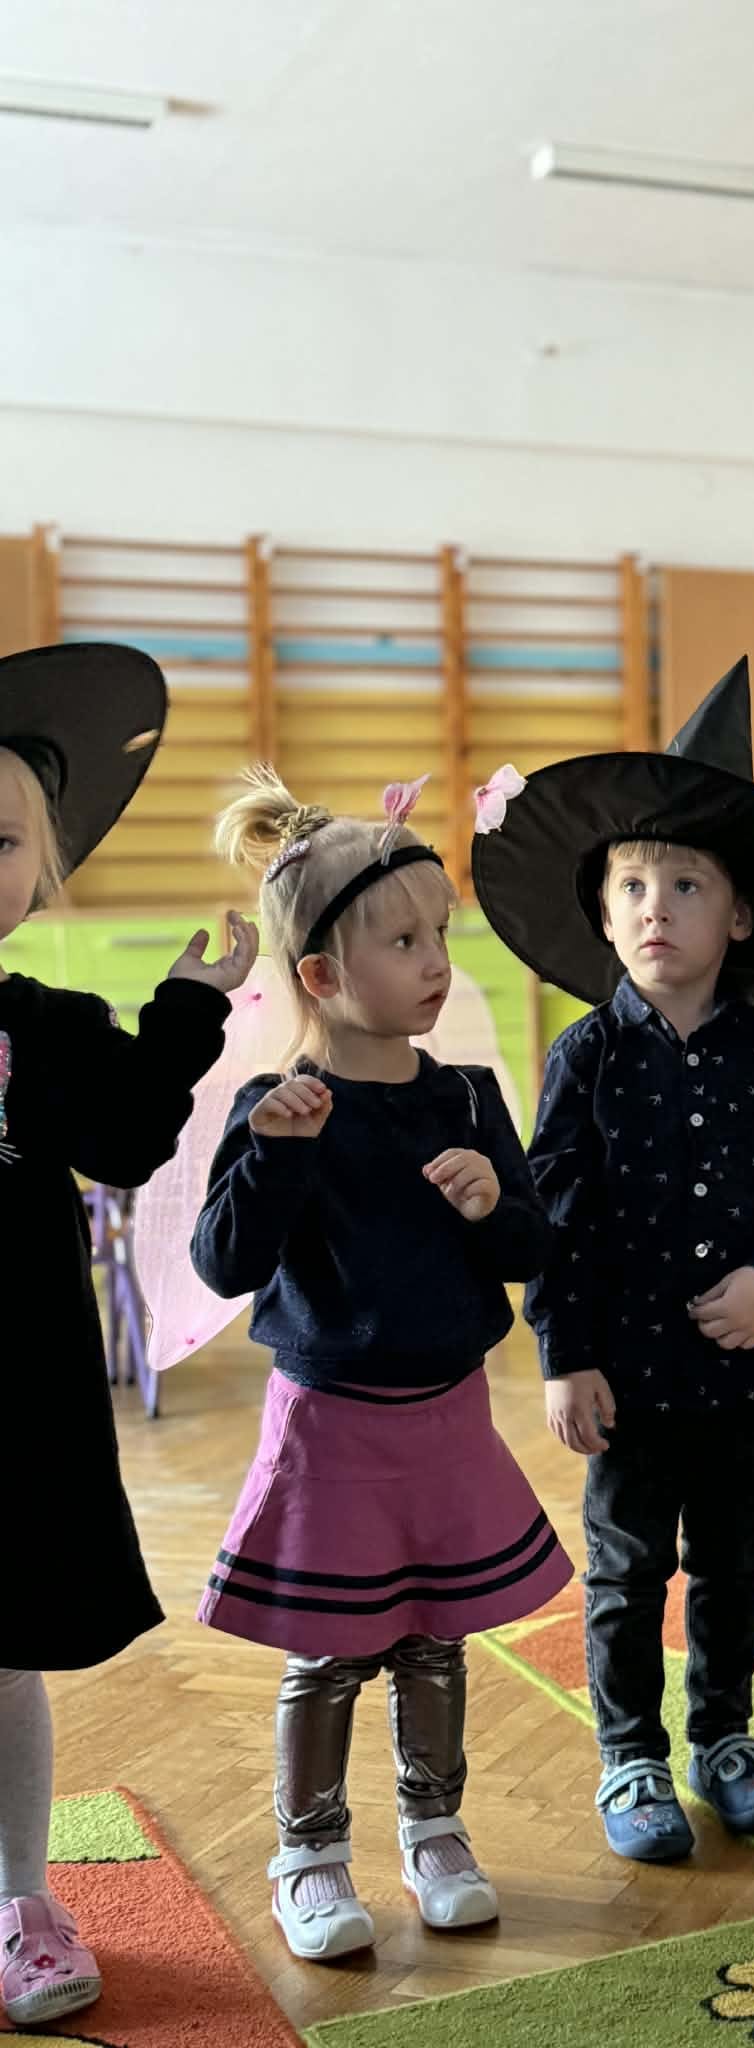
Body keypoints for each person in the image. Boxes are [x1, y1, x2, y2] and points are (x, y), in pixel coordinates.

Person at [473, 658, 754, 1862]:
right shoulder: (587, 1055)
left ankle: (725, 1734)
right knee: (628, 1569)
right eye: (633, 884)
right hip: (625, 1376)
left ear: (737, 916)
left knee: (737, 1559)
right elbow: (554, 1212)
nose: (656, 906)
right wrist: (563, 1353)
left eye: (686, 883)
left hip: (744, 1373)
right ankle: (631, 1749)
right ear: (603, 913)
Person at [191, 767, 570, 1961]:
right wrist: (276, 1154)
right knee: (331, 1648)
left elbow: (530, 1252)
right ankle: (307, 1853)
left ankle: (436, 1828)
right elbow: (223, 1263)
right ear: (320, 975)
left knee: (435, 1635)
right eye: (404, 941)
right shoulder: (279, 1103)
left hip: (448, 1414)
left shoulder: (466, 1095)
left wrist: (493, 1200)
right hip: (332, 1426)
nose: (437, 961)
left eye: (441, 934)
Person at [0, 645, 255, 2028]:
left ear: (39, 869)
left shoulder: (39, 1030)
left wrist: (187, 1006)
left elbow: (125, 1135)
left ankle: (19, 1898)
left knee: (5, 1656)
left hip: (16, 1397)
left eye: (0, 842)